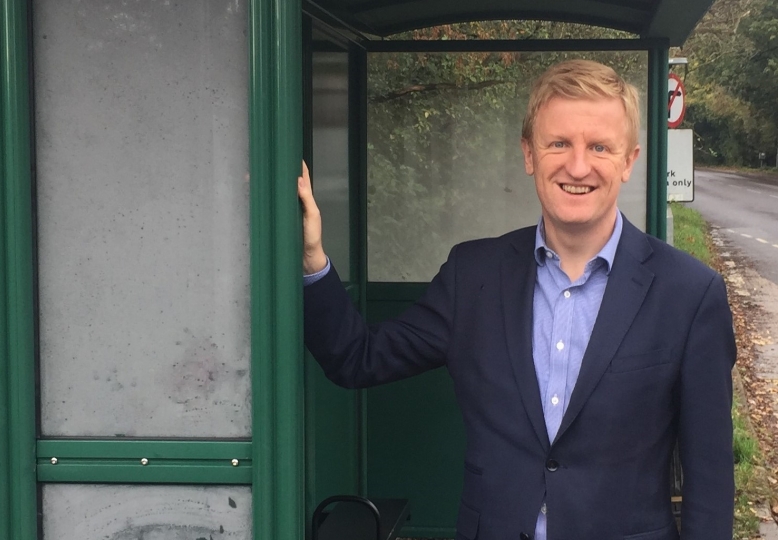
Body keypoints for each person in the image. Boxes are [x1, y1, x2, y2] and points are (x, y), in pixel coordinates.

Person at [298, 59, 735, 540]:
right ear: (529, 154)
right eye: (558, 143)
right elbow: (356, 359)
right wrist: (313, 259)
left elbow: (709, 485)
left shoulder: (690, 295)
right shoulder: (473, 276)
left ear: (629, 161)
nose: (578, 165)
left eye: (599, 147)